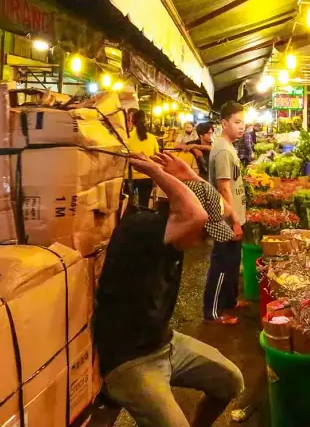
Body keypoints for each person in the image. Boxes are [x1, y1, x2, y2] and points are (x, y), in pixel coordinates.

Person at [95, 152, 244, 427]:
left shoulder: (172, 231)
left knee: (230, 381)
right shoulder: (142, 231)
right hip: (129, 361)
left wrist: (191, 177)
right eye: (203, 232)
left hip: (164, 344)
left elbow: (220, 208)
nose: (204, 241)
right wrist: (157, 173)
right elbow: (196, 214)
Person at [204, 101, 248, 325]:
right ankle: (213, 312)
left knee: (232, 263)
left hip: (234, 218)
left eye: (243, 122)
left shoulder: (228, 147)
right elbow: (223, 188)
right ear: (224, 123)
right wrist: (234, 221)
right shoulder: (222, 150)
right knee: (221, 266)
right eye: (237, 122)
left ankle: (230, 301)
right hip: (225, 220)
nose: (242, 127)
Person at [127, 109, 161, 208]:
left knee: (128, 205)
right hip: (147, 175)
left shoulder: (127, 137)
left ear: (131, 121)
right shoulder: (152, 138)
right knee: (144, 204)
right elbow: (156, 156)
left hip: (129, 176)